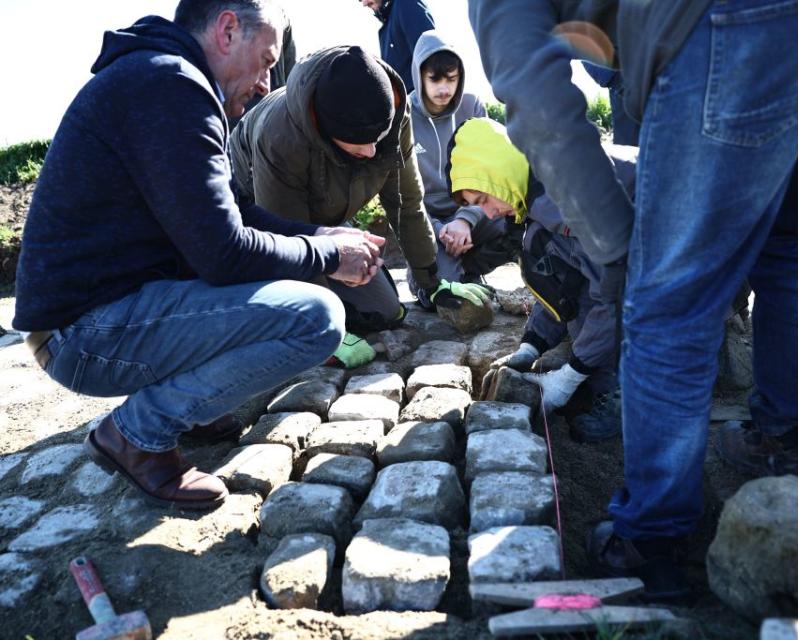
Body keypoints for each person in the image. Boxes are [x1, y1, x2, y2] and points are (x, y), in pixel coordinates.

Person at [469, 0, 798, 600]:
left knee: (668, 303)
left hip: (744, 21)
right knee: (793, 234)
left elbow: (536, 101)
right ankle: (790, 440)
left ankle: (652, 535)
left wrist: (624, 256)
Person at [13, 0, 386, 511]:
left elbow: (234, 216)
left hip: (101, 315)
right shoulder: (171, 87)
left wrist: (318, 232)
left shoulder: (165, 80)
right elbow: (224, 254)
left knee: (273, 291)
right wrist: (325, 254)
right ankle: (137, 433)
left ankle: (192, 403)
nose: (266, 81)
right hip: (81, 336)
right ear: (228, 30)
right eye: (266, 61)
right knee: (317, 318)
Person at [228, 44, 491, 363]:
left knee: (386, 312)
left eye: (376, 140)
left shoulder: (394, 115)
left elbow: (406, 203)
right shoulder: (279, 136)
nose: (370, 153)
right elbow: (289, 238)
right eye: (358, 146)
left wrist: (432, 282)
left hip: (328, 212)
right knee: (305, 311)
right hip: (266, 218)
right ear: (326, 132)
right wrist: (318, 328)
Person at [449, 117, 632, 442]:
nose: (488, 214)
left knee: (628, 315)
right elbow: (561, 285)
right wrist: (532, 343)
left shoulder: (568, 196)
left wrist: (571, 373)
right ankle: (603, 378)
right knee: (543, 255)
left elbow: (616, 295)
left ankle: (632, 398)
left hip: (691, 256)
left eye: (483, 199)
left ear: (497, 170)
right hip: (642, 259)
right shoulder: (538, 195)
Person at [405, 31, 521, 308]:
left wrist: (465, 219)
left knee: (522, 224)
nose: (444, 89)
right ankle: (448, 273)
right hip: (429, 225)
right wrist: (439, 229)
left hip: (475, 213)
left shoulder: (471, 105)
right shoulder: (402, 117)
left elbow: (490, 176)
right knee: (442, 296)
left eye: (452, 79)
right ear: (419, 75)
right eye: (435, 79)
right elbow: (401, 195)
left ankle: (469, 268)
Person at [359, 0, 435, 91]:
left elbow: (431, 61)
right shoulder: (386, 27)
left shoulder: (406, 4)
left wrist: (413, 102)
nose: (364, 3)